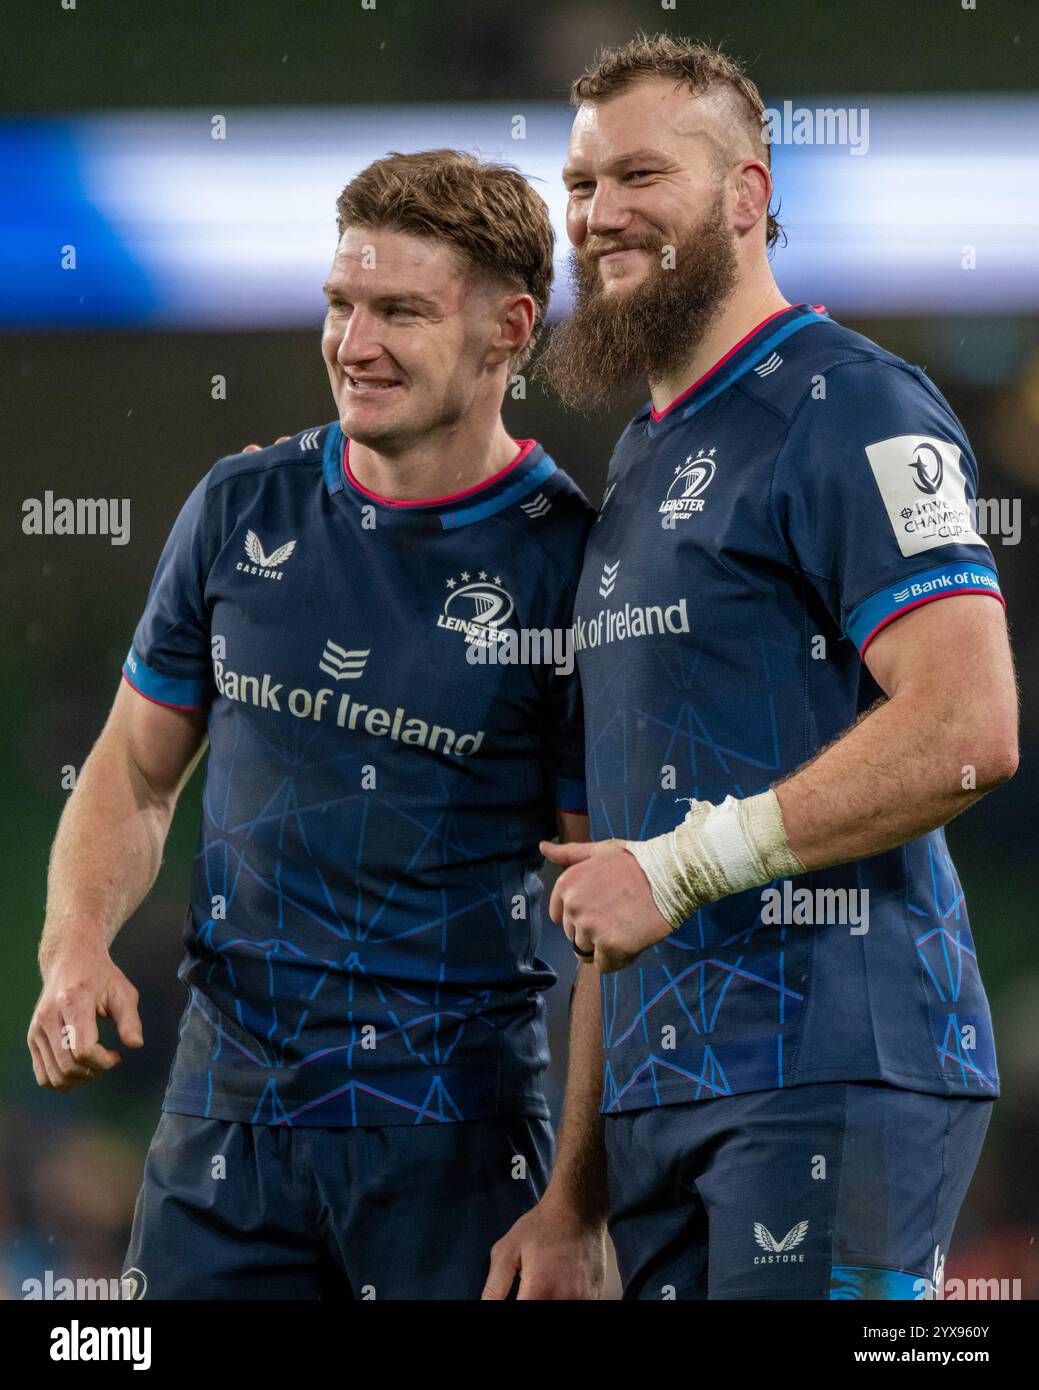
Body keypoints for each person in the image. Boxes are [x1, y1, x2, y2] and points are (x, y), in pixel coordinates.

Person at [28, 150, 607, 1300]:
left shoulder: (574, 565)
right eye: (341, 303)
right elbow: (135, 773)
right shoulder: (241, 505)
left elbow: (608, 916)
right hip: (224, 1119)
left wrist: (576, 1203)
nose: (355, 343)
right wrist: (75, 943)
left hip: (458, 1134)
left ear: (509, 328)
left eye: (401, 310)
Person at [537, 33, 1019, 1301]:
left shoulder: (858, 405)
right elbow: (615, 873)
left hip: (833, 1062)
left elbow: (970, 724)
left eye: (639, 176)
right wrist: (571, 1196)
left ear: (745, 197)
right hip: (663, 1096)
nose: (598, 215)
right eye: (581, 185)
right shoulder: (638, 462)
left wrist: (689, 864)